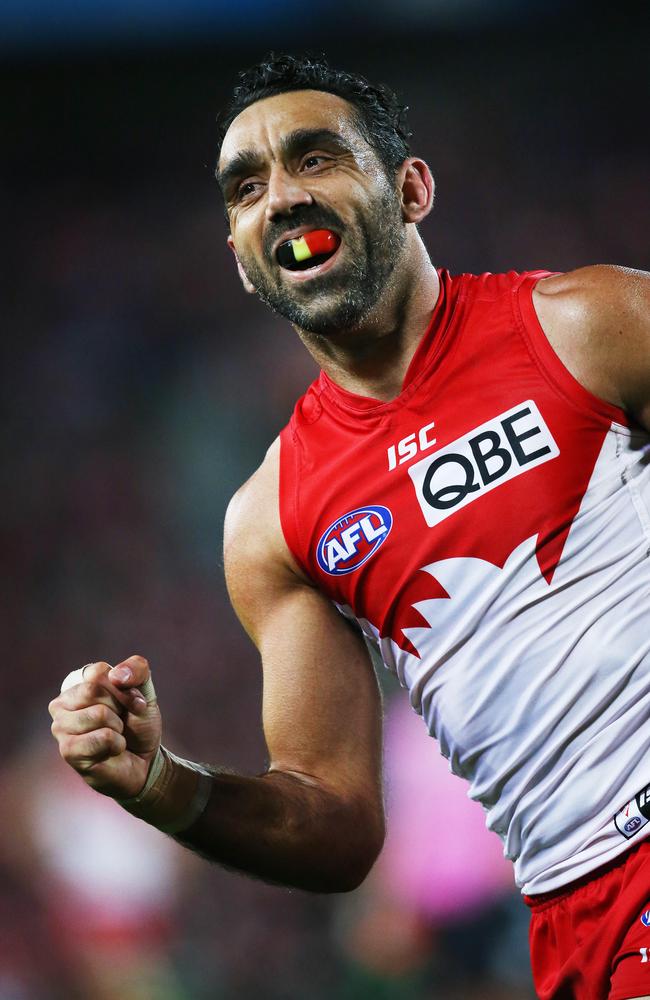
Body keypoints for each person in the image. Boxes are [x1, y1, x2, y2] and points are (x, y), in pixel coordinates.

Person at [48, 53, 650, 999]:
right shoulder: (273, 521)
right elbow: (335, 829)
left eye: (316, 158)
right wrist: (159, 784)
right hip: (579, 921)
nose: (281, 197)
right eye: (247, 188)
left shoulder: (592, 322)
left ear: (411, 189)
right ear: (244, 260)